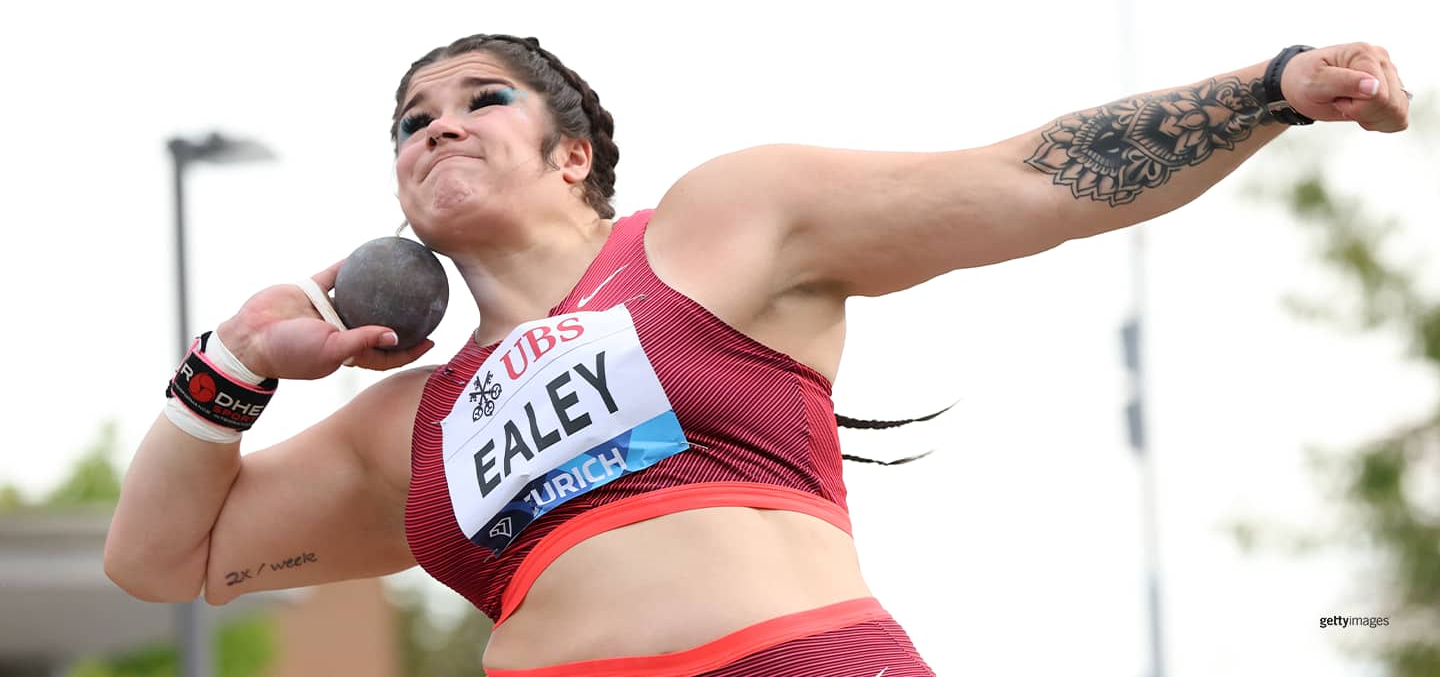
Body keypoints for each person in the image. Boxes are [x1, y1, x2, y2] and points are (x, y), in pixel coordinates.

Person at [105, 35, 1410, 676]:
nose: (436, 127)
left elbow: (1029, 177)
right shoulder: (411, 422)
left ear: (572, 154)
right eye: (409, 121)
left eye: (479, 98)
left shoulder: (714, 227)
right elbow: (160, 557)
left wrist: (1273, 86)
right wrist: (235, 355)